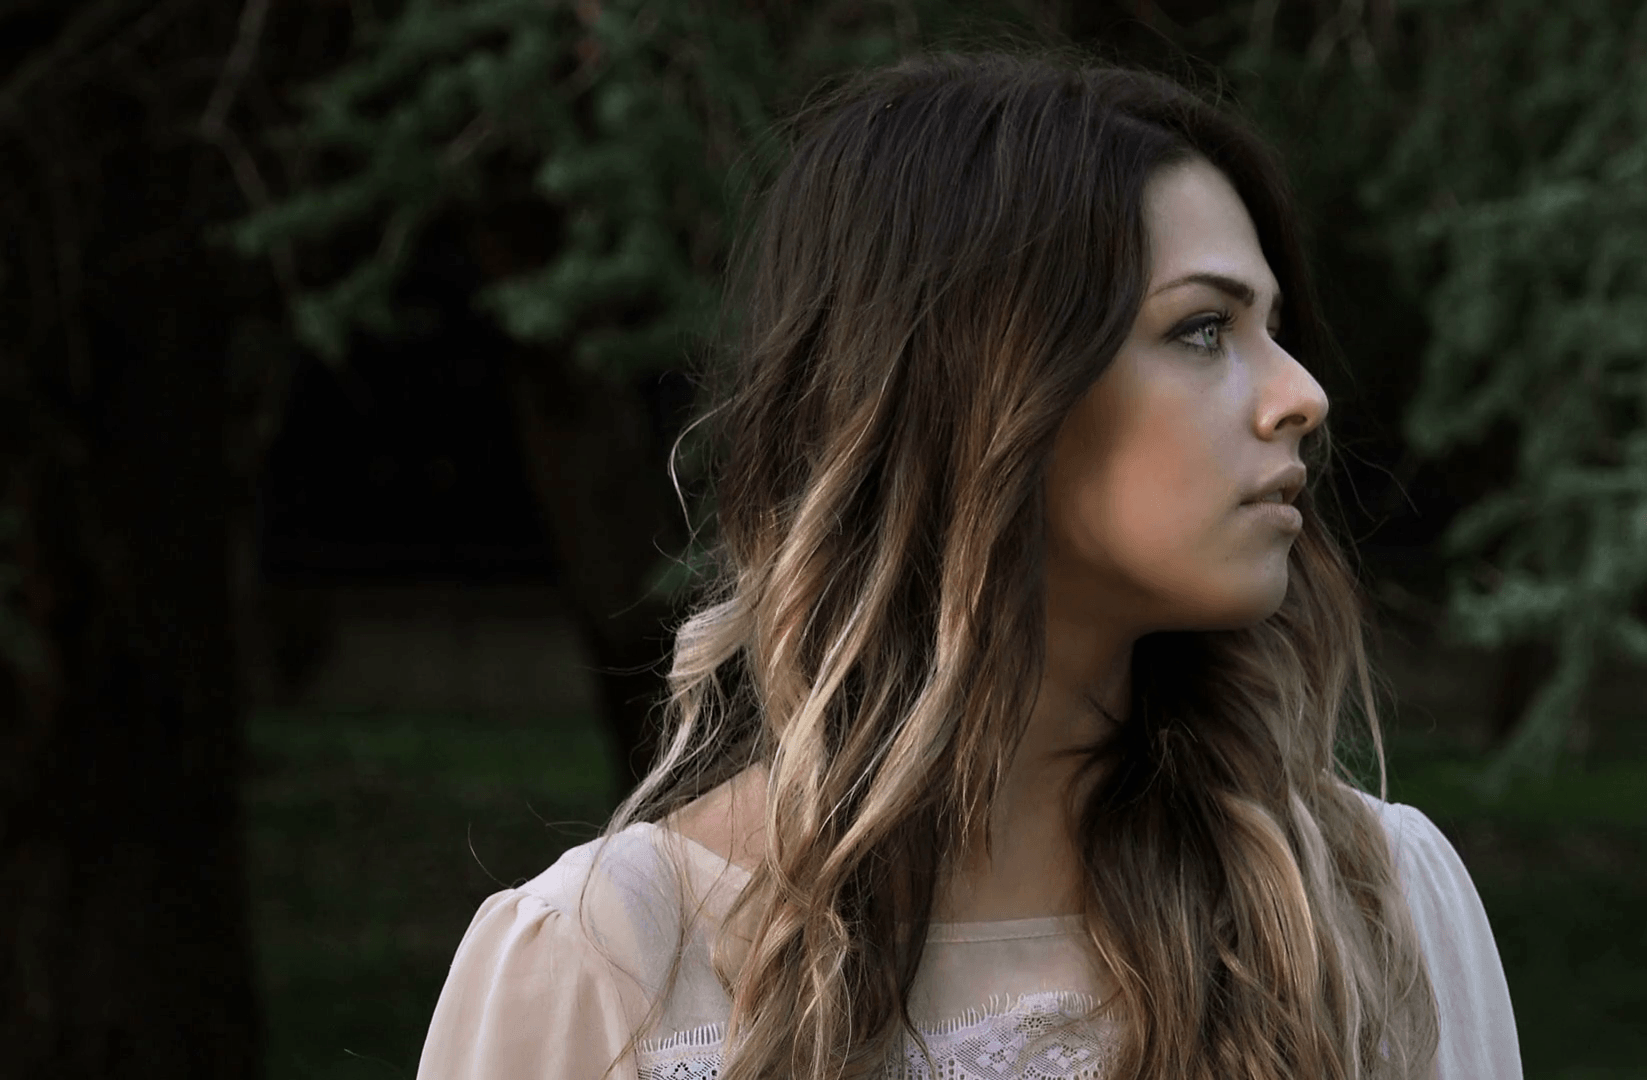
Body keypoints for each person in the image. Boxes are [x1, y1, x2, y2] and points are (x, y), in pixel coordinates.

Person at [416, 46, 1523, 1080]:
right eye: (1202, 330)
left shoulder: (1370, 904)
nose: (1301, 395)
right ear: (981, 387)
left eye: (1275, 328)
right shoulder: (609, 963)